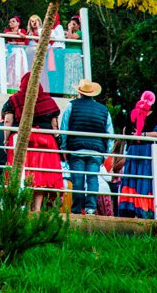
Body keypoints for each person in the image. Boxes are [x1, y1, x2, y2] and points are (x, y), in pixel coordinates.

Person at [2, 72, 63, 211]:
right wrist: (58, 143)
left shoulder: (14, 100)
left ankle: (22, 207)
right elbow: (54, 127)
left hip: (21, 139)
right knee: (40, 174)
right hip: (45, 141)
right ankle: (37, 208)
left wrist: (6, 140)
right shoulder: (48, 101)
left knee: (21, 172)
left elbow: (7, 121)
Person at [58, 79, 114, 215]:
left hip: (76, 150)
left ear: (79, 92)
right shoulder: (103, 110)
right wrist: (105, 153)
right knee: (92, 179)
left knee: (77, 180)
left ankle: (76, 209)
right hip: (96, 151)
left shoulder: (71, 106)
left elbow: (64, 129)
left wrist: (64, 149)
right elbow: (110, 134)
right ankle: (90, 208)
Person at [118, 91, 157, 219]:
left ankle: (129, 207)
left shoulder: (133, 113)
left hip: (133, 150)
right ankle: (145, 209)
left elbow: (127, 132)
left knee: (132, 178)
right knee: (145, 179)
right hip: (148, 150)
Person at [4, 16, 29, 91]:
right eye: (10, 22)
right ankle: (11, 86)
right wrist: (18, 34)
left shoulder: (23, 30)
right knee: (10, 69)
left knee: (19, 68)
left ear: (18, 23)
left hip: (19, 51)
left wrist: (16, 42)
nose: (11, 23)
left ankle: (20, 87)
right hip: (10, 52)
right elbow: (6, 34)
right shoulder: (8, 30)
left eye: (13, 21)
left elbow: (25, 42)